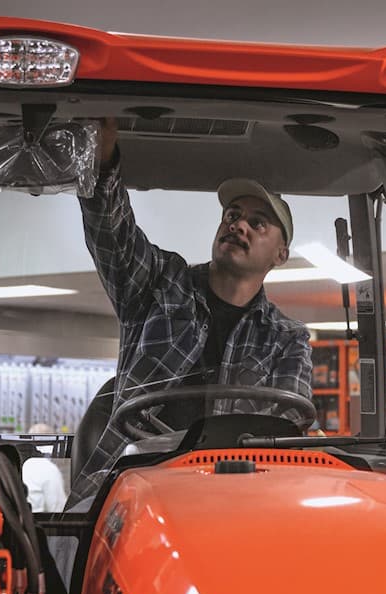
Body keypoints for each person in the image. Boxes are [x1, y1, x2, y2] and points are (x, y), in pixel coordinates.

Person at [67, 118, 313, 505]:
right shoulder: (160, 284)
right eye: (232, 215)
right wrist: (103, 163)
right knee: (74, 549)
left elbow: (286, 429)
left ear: (280, 255)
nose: (239, 226)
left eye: (257, 223)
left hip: (233, 496)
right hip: (127, 485)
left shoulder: (286, 339)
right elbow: (113, 235)